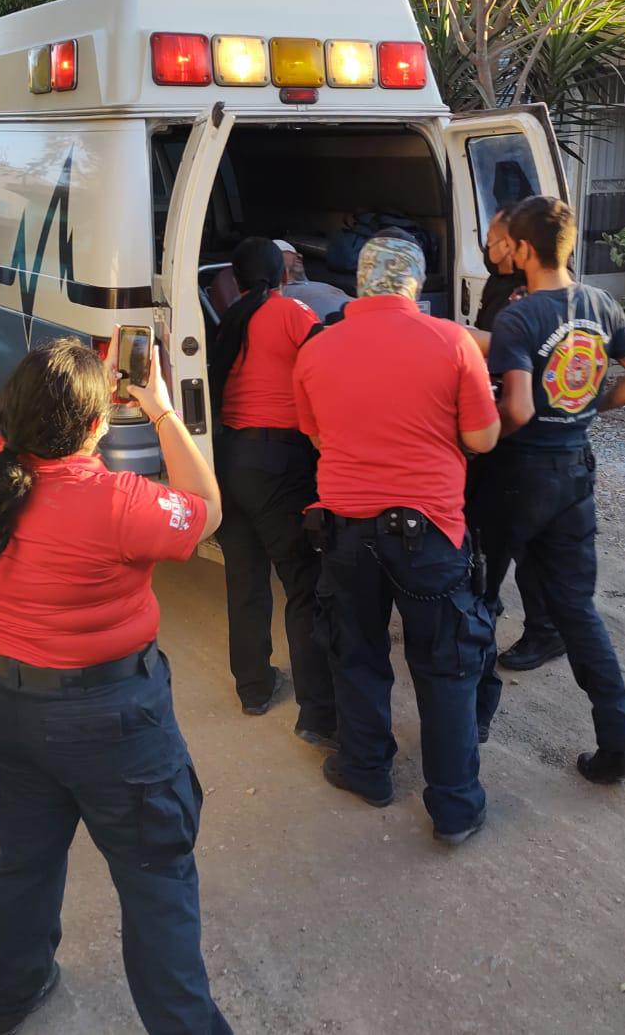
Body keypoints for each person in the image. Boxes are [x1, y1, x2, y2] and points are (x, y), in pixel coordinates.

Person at [0, 338, 232, 1035]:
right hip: (112, 723)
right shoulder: (118, 502)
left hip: (4, 705)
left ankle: (10, 995)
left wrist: (69, 381)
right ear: (98, 425)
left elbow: (14, 437)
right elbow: (206, 506)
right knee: (155, 882)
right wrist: (160, 408)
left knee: (25, 858)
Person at [293, 231, 501, 845]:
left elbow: (317, 437)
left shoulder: (317, 349)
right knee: (447, 666)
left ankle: (365, 770)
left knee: (356, 653)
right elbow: (485, 439)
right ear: (417, 281)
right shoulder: (452, 342)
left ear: (359, 282)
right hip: (431, 532)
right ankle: (456, 807)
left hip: (345, 530)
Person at [486, 196, 625, 785]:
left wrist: (480, 440)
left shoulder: (519, 317)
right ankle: (620, 744)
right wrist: (587, 408)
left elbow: (515, 408)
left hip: (519, 475)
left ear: (526, 250)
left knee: (480, 596)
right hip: (575, 474)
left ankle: (474, 721)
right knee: (578, 611)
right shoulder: (602, 303)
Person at [207, 237, 337, 744]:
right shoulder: (288, 312)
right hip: (278, 462)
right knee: (304, 583)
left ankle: (254, 688)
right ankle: (317, 713)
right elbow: (328, 360)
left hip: (231, 457)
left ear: (236, 280)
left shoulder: (228, 322)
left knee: (245, 579)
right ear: (282, 274)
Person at [466, 211, 566, 674]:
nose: (488, 247)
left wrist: (463, 339)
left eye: (493, 239)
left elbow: (512, 348)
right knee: (493, 524)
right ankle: (488, 600)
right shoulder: (497, 286)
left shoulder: (528, 296)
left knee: (522, 533)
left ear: (515, 245)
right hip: (501, 414)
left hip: (521, 426)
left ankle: (545, 629)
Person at [273, 239, 352, 321]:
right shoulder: (280, 294)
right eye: (289, 251)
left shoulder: (316, 284)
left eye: (297, 254)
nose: (300, 256)